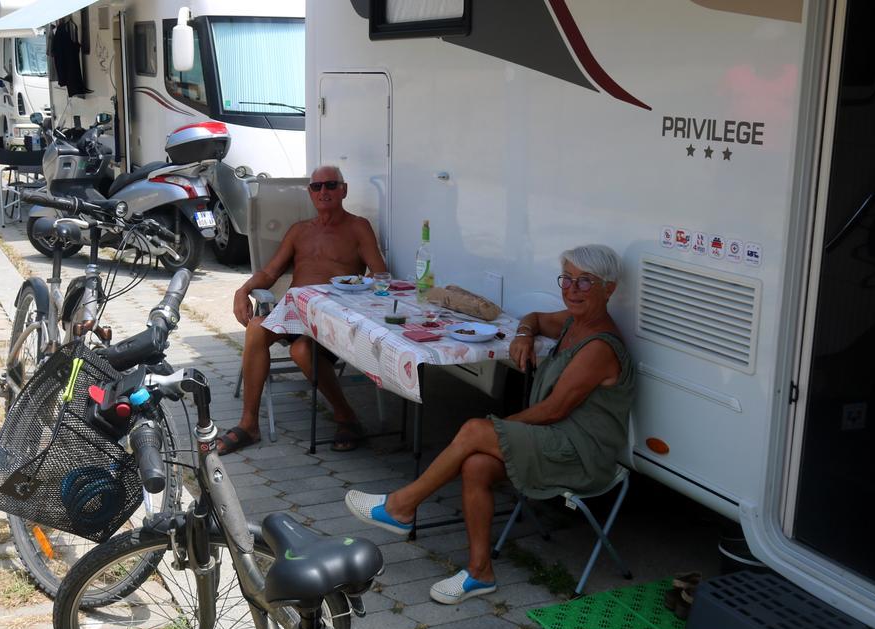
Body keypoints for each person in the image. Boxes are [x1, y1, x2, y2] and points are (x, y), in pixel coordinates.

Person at [345, 244, 636, 604]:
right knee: (477, 463)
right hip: (553, 439)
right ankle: (479, 572)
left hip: (582, 455)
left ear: (609, 289)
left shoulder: (599, 346)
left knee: (475, 431)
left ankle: (401, 507)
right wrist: (524, 335)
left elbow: (552, 411)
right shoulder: (575, 321)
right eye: (568, 279)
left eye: (585, 282)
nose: (572, 289)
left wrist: (495, 429)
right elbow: (534, 317)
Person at [216, 165, 388, 454]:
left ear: (343, 190)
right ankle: (249, 425)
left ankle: (346, 417)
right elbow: (270, 273)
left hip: (334, 316)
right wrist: (242, 290)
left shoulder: (358, 227)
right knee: (257, 328)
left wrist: (358, 294)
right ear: (310, 193)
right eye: (317, 187)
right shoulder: (299, 231)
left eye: (331, 185)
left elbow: (381, 274)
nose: (324, 192)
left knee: (301, 352)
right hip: (296, 313)